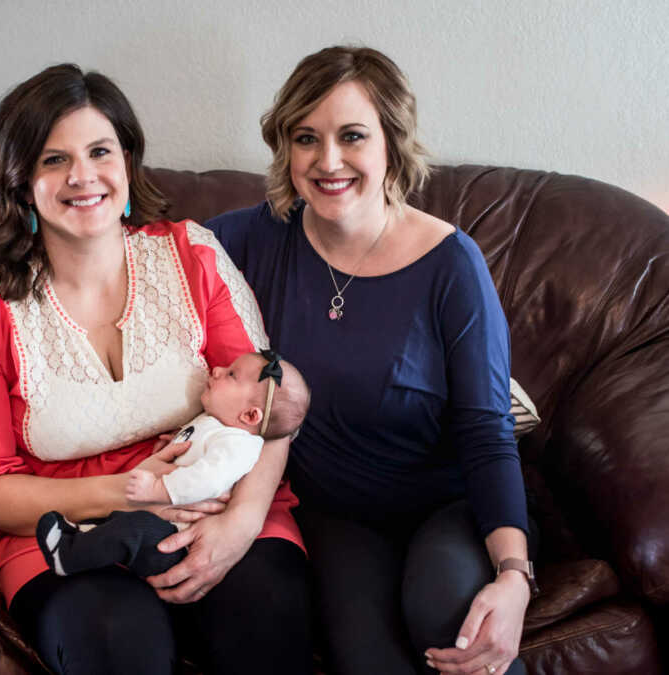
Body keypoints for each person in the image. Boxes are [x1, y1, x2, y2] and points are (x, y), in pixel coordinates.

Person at [0, 64, 312, 675]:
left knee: (264, 618)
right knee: (115, 641)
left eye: (100, 151)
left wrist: (239, 525)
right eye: (54, 160)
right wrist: (126, 498)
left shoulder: (192, 256)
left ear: (127, 161)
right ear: (21, 179)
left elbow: (266, 412)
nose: (82, 176)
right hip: (66, 536)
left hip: (216, 501)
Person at [206, 46, 537, 675]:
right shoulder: (254, 237)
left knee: (452, 620)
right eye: (306, 138)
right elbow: (139, 256)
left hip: (451, 505)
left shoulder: (452, 265)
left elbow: (487, 435)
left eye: (352, 136)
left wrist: (514, 575)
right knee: (367, 662)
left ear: (391, 142)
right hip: (337, 516)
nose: (328, 161)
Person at [36, 350, 311, 579]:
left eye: (231, 375)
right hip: (168, 522)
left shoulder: (239, 444)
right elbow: (198, 449)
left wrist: (158, 488)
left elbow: (209, 480)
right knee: (122, 523)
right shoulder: (218, 424)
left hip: (182, 540)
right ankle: (80, 535)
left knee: (133, 529)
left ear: (250, 415)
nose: (216, 369)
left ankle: (69, 556)